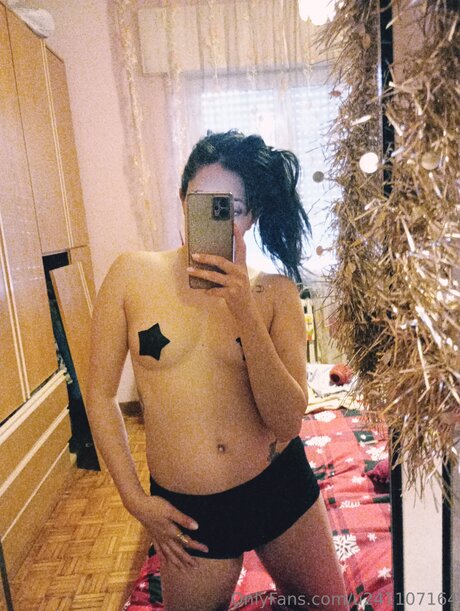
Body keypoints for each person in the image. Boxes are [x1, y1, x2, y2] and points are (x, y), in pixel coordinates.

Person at [86, 130, 348, 610]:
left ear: (251, 219)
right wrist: (133, 499)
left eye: (232, 208)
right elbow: (100, 396)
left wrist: (243, 308)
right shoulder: (129, 276)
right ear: (182, 199)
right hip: (190, 514)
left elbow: (287, 421)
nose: (214, 218)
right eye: (203, 202)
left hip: (279, 490)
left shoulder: (275, 294)